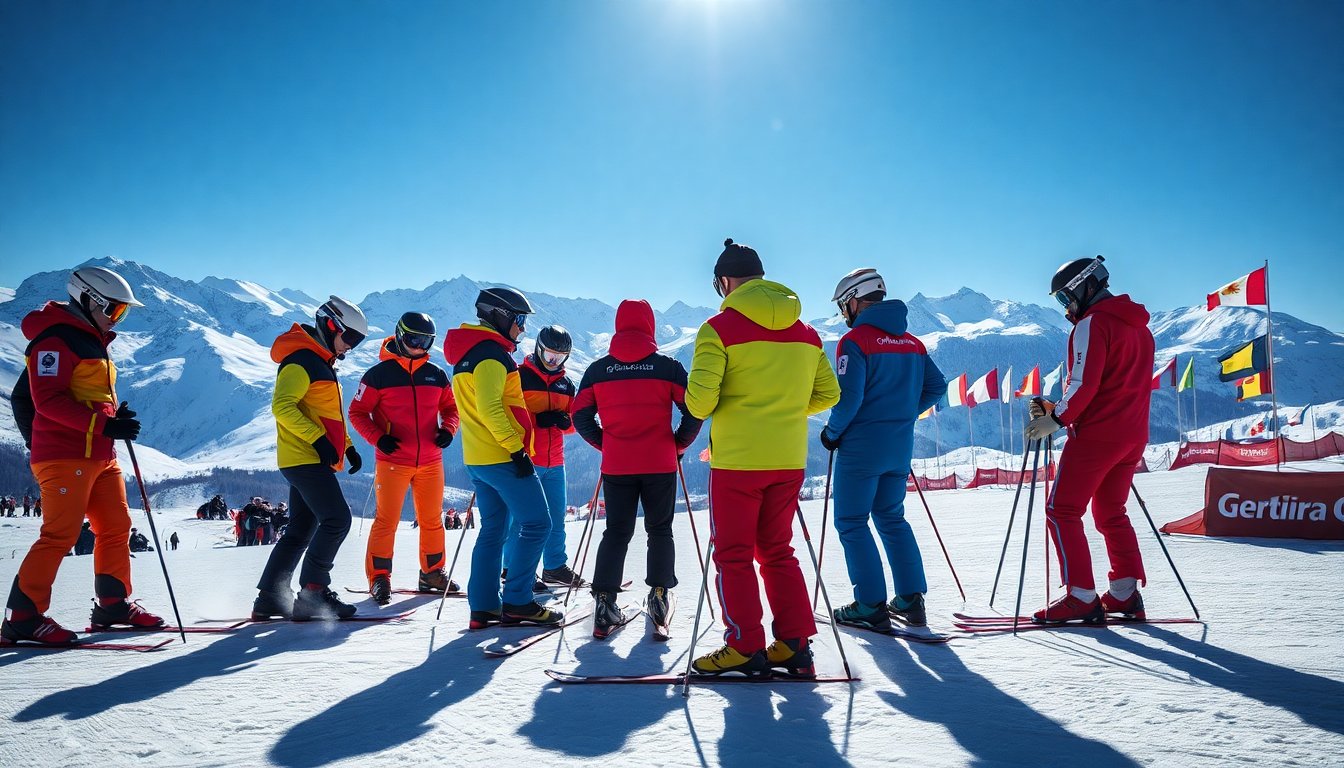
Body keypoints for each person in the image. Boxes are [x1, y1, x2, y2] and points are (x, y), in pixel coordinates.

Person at [685, 239, 841, 676]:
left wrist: (744, 410)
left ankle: (743, 646)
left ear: (724, 282)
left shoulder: (717, 329)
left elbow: (699, 403)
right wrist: (784, 409)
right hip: (788, 459)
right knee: (777, 551)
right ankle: (794, 644)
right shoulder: (806, 333)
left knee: (733, 554)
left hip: (737, 461)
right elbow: (829, 393)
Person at [2, 266, 164, 644]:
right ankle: (22, 617)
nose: (117, 318)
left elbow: (85, 395)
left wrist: (113, 417)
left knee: (116, 527)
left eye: (123, 311)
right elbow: (47, 401)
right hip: (65, 454)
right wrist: (105, 425)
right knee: (60, 534)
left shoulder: (92, 340)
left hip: (101, 455)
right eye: (114, 309)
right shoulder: (55, 340)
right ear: (88, 299)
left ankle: (113, 605)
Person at [1024, 256, 1154, 624]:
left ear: (1087, 285)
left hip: (1097, 436)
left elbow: (1084, 383)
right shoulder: (1140, 329)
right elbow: (1112, 386)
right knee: (1111, 512)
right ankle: (1125, 592)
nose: (1066, 307)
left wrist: (1055, 419)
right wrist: (1058, 408)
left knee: (1061, 510)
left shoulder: (1092, 324)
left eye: (1066, 297)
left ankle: (1080, 595)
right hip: (1132, 435)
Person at [821, 268, 946, 631]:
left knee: (851, 522)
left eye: (843, 305)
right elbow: (937, 387)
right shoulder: (912, 343)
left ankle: (869, 605)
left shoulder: (855, 341)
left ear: (855, 301)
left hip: (861, 447)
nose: (843, 313)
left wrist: (831, 433)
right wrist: (903, 413)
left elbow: (849, 399)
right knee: (891, 518)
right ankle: (910, 600)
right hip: (900, 445)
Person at [573, 300, 703, 637]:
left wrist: (607, 443)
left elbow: (579, 415)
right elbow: (694, 410)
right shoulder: (668, 368)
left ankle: (604, 603)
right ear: (650, 326)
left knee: (616, 531)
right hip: (660, 462)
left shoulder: (598, 370)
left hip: (618, 465)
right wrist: (678, 444)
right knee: (660, 530)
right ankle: (659, 596)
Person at [444, 287, 561, 629]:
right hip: (502, 457)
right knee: (538, 524)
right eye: (520, 319)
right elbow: (491, 408)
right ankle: (519, 602)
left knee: (494, 530)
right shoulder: (492, 356)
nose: (523, 328)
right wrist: (516, 449)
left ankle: (483, 606)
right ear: (500, 316)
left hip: (478, 458)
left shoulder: (469, 354)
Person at [252, 296, 368, 622]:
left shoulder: (321, 362)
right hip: (304, 456)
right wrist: (317, 439)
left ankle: (271, 597)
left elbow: (327, 415)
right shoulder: (301, 361)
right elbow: (282, 406)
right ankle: (313, 593)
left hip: (307, 456)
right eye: (350, 337)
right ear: (331, 325)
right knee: (337, 519)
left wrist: (347, 446)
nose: (352, 346)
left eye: (358, 341)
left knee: (302, 528)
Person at [349, 311, 461, 605]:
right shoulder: (378, 375)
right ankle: (379, 578)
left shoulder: (436, 374)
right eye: (414, 340)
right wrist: (378, 438)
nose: (419, 347)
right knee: (387, 521)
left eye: (426, 342)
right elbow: (357, 413)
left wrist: (448, 429)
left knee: (432, 520)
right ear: (400, 336)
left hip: (431, 461)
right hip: (393, 462)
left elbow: (451, 409)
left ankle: (432, 574)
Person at [507, 324, 586, 589]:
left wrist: (566, 422)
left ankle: (554, 566)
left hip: (555, 462)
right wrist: (538, 419)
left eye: (560, 357)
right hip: (526, 459)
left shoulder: (566, 384)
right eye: (550, 355)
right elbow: (509, 414)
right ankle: (513, 569)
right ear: (539, 349)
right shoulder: (519, 377)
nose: (554, 362)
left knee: (556, 518)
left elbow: (575, 422)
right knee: (522, 520)